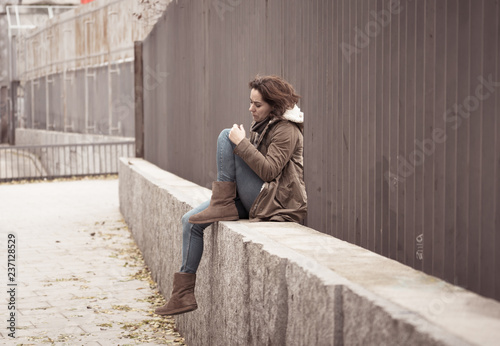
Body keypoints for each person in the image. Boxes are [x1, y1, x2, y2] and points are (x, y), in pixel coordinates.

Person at [154, 75, 307, 316]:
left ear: (274, 106)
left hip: (275, 203)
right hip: (259, 197)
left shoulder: (286, 130)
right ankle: (182, 295)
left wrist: (242, 144)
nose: (251, 109)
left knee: (227, 135)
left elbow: (268, 171)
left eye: (257, 105)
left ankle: (223, 202)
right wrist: (246, 144)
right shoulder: (266, 125)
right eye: (251, 102)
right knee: (190, 222)